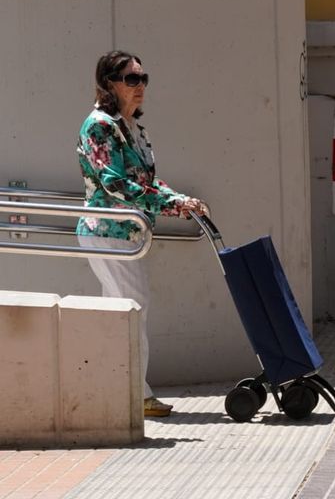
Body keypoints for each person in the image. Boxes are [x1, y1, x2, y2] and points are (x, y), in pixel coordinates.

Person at [76, 51, 208, 418]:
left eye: (143, 78)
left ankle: (111, 389)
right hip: (107, 232)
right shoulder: (99, 126)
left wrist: (179, 199)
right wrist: (171, 206)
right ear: (109, 84)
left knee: (119, 310)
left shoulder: (133, 128)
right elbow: (115, 184)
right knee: (133, 307)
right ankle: (135, 393)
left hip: (128, 233)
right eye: (131, 79)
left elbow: (145, 181)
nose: (140, 87)